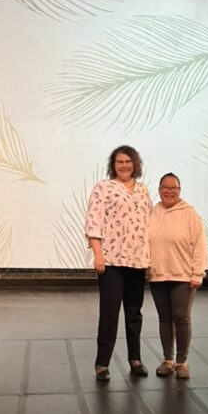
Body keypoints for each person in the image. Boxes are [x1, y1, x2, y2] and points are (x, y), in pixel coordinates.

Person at [85, 146, 152, 381]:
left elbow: (149, 225)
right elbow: (93, 223)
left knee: (134, 313)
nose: (124, 165)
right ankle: (102, 363)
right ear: (113, 165)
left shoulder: (143, 191)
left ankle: (135, 359)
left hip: (138, 260)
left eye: (128, 161)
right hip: (111, 260)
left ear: (136, 163)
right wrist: (98, 254)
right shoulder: (103, 188)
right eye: (119, 162)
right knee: (109, 313)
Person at [148, 173, 208, 380]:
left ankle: (182, 362)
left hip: (183, 275)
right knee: (164, 318)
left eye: (174, 188)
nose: (169, 191)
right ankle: (168, 360)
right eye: (165, 187)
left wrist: (197, 274)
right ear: (159, 189)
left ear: (179, 190)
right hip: (158, 275)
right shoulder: (152, 212)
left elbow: (200, 245)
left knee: (181, 318)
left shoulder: (190, 213)